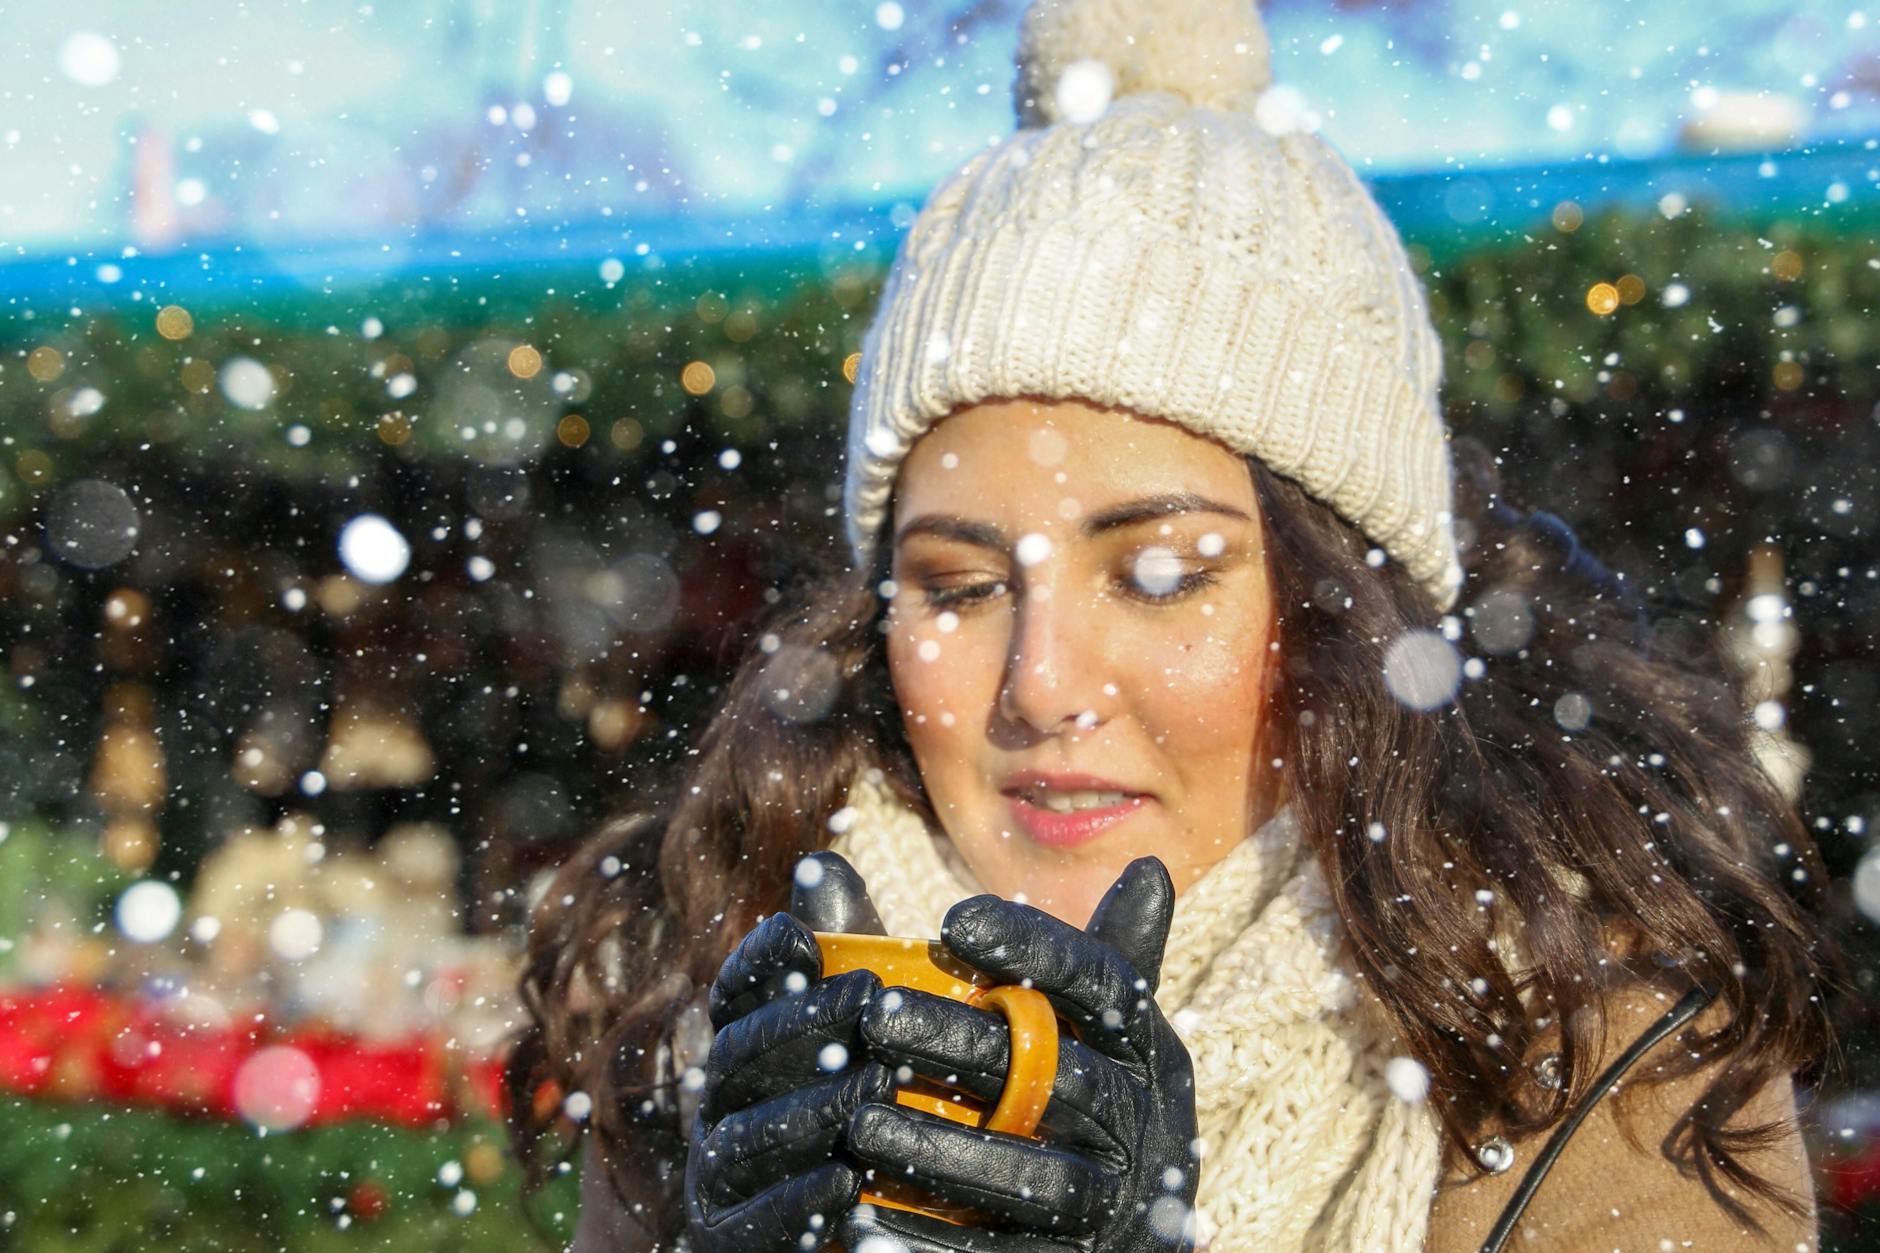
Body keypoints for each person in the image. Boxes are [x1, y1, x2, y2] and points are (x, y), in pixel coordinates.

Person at [504, 0, 1837, 1248]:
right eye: (960, 587)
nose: (1042, 683)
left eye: (1157, 574)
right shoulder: (722, 1027)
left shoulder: (1611, 1062)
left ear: (1344, 620)